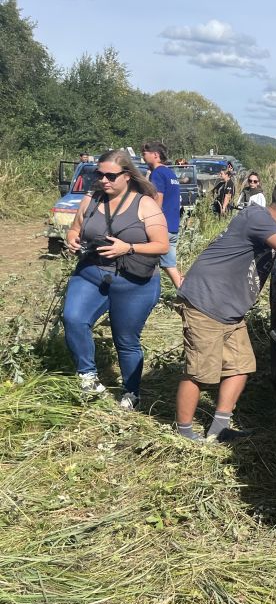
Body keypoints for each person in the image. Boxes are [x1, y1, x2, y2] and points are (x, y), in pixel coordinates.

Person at [174, 179, 276, 441]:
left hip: (229, 310)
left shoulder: (267, 226)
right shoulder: (258, 218)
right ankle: (184, 433)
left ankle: (220, 429)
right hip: (207, 303)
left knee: (240, 366)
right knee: (199, 373)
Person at [63, 149, 170, 410]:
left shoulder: (145, 204)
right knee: (73, 318)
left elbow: (162, 245)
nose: (103, 180)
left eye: (110, 176)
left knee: (125, 340)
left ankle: (131, 392)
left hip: (133, 282)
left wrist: (128, 248)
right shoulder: (91, 199)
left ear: (127, 175)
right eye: (99, 174)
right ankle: (88, 376)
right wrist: (72, 239)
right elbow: (75, 228)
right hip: (91, 272)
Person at [142, 140, 183, 289]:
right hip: (172, 226)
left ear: (155, 155)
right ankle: (186, 292)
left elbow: (156, 202)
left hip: (160, 228)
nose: (142, 157)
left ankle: (145, 292)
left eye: (144, 153)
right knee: (169, 265)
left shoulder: (157, 173)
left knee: (144, 262)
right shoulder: (170, 173)